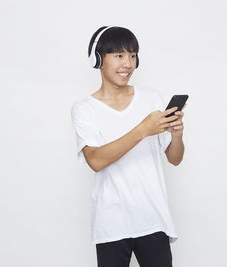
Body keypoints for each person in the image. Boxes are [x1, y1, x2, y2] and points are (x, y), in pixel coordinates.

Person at [71, 26, 186, 267]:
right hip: (111, 223)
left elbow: (174, 159)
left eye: (133, 55)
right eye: (119, 56)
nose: (128, 64)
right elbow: (96, 161)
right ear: (99, 60)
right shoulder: (84, 109)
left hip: (154, 219)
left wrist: (176, 135)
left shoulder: (151, 98)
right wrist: (143, 129)